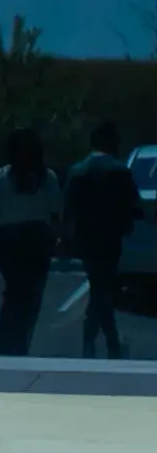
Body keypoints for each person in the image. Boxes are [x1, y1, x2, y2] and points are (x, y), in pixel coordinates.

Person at [0, 129, 62, 358]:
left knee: (23, 294)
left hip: (25, 241)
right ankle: (13, 342)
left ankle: (16, 342)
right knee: (24, 294)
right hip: (23, 241)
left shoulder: (43, 179)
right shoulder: (8, 178)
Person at [65, 122, 141, 360]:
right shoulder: (119, 171)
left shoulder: (79, 171)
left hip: (87, 239)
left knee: (100, 288)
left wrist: (67, 236)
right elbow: (133, 204)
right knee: (102, 290)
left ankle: (102, 342)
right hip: (110, 239)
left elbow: (68, 207)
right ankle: (106, 342)